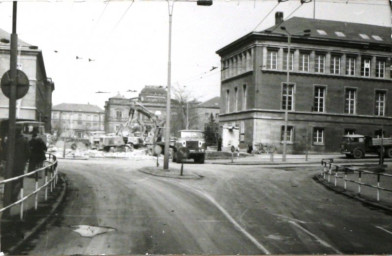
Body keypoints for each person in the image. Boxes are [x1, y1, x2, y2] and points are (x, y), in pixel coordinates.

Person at [2, 127, 30, 203]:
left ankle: (7, 196)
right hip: (20, 164)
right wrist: (25, 160)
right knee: (18, 180)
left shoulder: (9, 140)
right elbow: (28, 153)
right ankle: (14, 197)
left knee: (9, 180)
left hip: (10, 164)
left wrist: (5, 160)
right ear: (20, 132)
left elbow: (4, 153)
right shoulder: (24, 140)